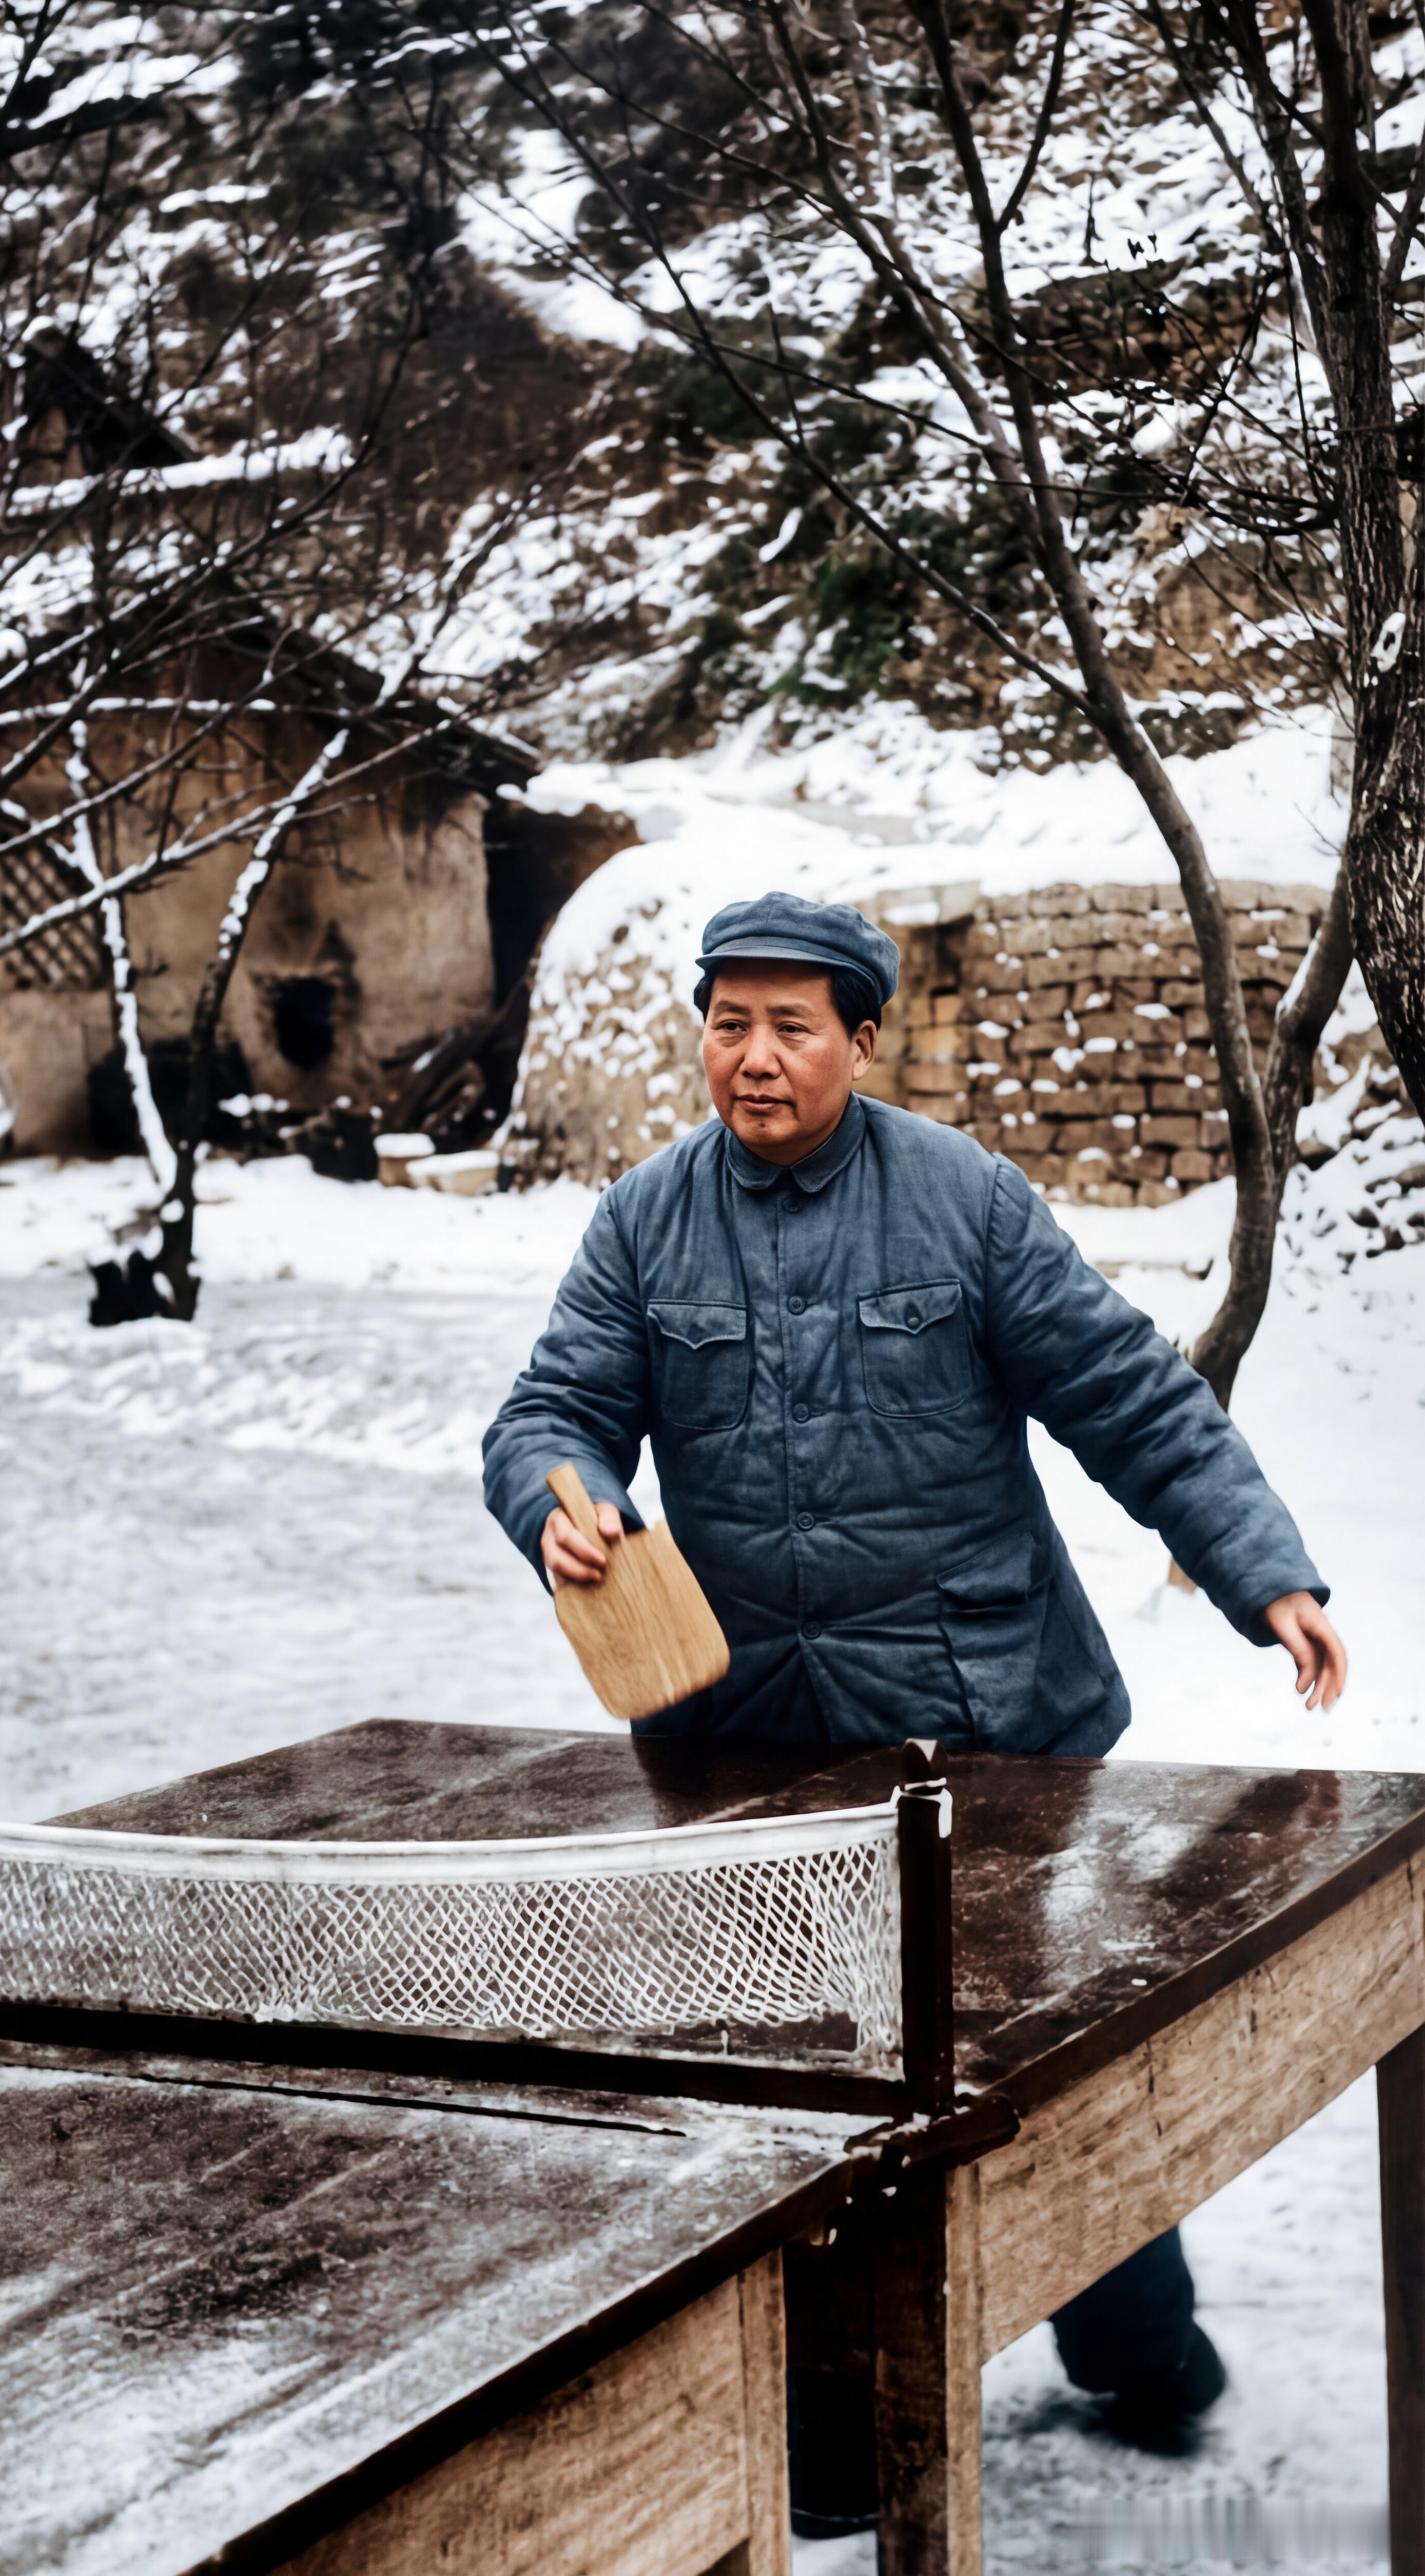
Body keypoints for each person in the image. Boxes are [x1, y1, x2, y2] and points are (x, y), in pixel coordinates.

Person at [483, 889, 1345, 2536]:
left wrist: (1266, 1575)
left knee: (1024, 2056)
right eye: (729, 1024)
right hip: (756, 1747)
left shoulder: (965, 1202)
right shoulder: (646, 1223)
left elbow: (1129, 1395)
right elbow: (551, 1411)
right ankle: (828, 2413)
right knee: (799, 2086)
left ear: (863, 1040)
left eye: (791, 1027)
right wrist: (560, 1498)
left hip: (985, 1727)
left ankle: (1138, 2339)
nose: (754, 1058)